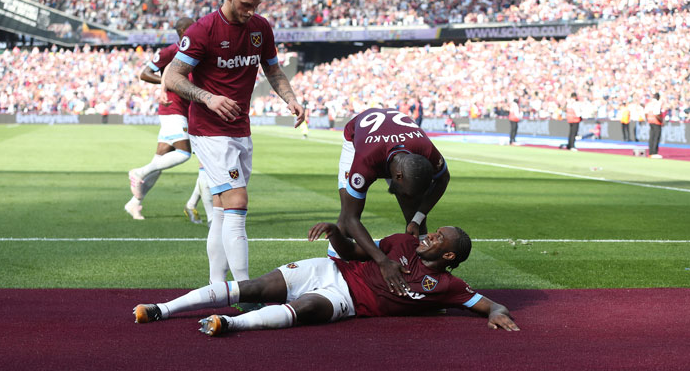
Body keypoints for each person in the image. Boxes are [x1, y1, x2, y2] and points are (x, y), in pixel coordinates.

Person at [162, 0, 305, 284]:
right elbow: (171, 77)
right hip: (209, 130)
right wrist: (207, 98)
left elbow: (273, 69)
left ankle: (217, 284)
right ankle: (244, 288)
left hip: (240, 130)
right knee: (238, 202)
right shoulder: (203, 30)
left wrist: (290, 98)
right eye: (245, 4)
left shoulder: (260, 28)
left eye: (255, 5)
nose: (250, 11)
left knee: (223, 208)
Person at [133, 222, 520, 336]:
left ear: (448, 256)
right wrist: (336, 232)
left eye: (438, 239)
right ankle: (162, 309)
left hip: (347, 302)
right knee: (252, 287)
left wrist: (495, 313)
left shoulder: (449, 288)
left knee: (303, 309)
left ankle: (228, 323)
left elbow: (491, 304)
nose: (428, 236)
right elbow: (352, 251)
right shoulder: (401, 241)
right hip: (330, 269)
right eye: (433, 231)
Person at [336, 107, 450, 296]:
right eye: (406, 192)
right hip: (357, 139)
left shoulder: (427, 150)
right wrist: (383, 261)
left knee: (414, 212)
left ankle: (420, 276)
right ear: (396, 177)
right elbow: (351, 218)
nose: (407, 196)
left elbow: (443, 179)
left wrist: (418, 218)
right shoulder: (365, 161)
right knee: (346, 211)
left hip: (399, 145)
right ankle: (335, 267)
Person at [125, 17, 212, 223]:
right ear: (183, 32)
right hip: (172, 108)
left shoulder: (196, 52)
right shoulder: (172, 51)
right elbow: (145, 74)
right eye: (193, 28)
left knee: (160, 162)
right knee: (183, 153)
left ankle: (134, 203)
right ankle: (139, 172)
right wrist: (168, 83)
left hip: (186, 109)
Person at [645, 92, 664, 158]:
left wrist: (648, 119)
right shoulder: (657, 103)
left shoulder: (649, 103)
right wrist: (661, 120)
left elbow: (646, 112)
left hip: (650, 120)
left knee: (651, 137)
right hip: (657, 122)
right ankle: (654, 152)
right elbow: (657, 113)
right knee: (656, 137)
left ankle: (650, 152)